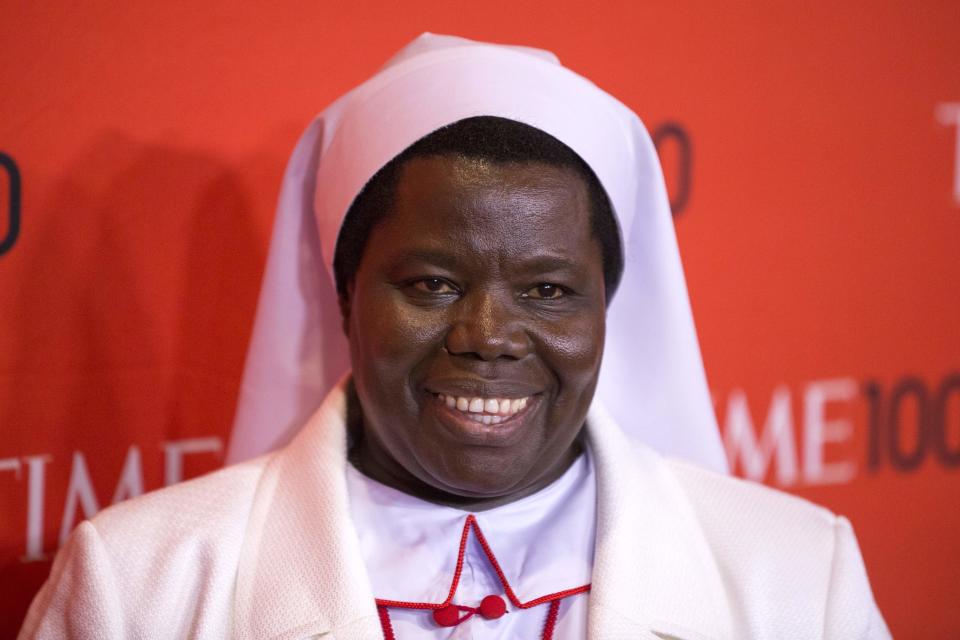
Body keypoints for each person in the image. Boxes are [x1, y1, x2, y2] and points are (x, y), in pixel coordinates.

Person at [19, 34, 890, 639]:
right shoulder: (138, 586)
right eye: (431, 284)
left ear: (606, 307)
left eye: (548, 290)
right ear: (345, 293)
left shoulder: (798, 576)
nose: (487, 337)